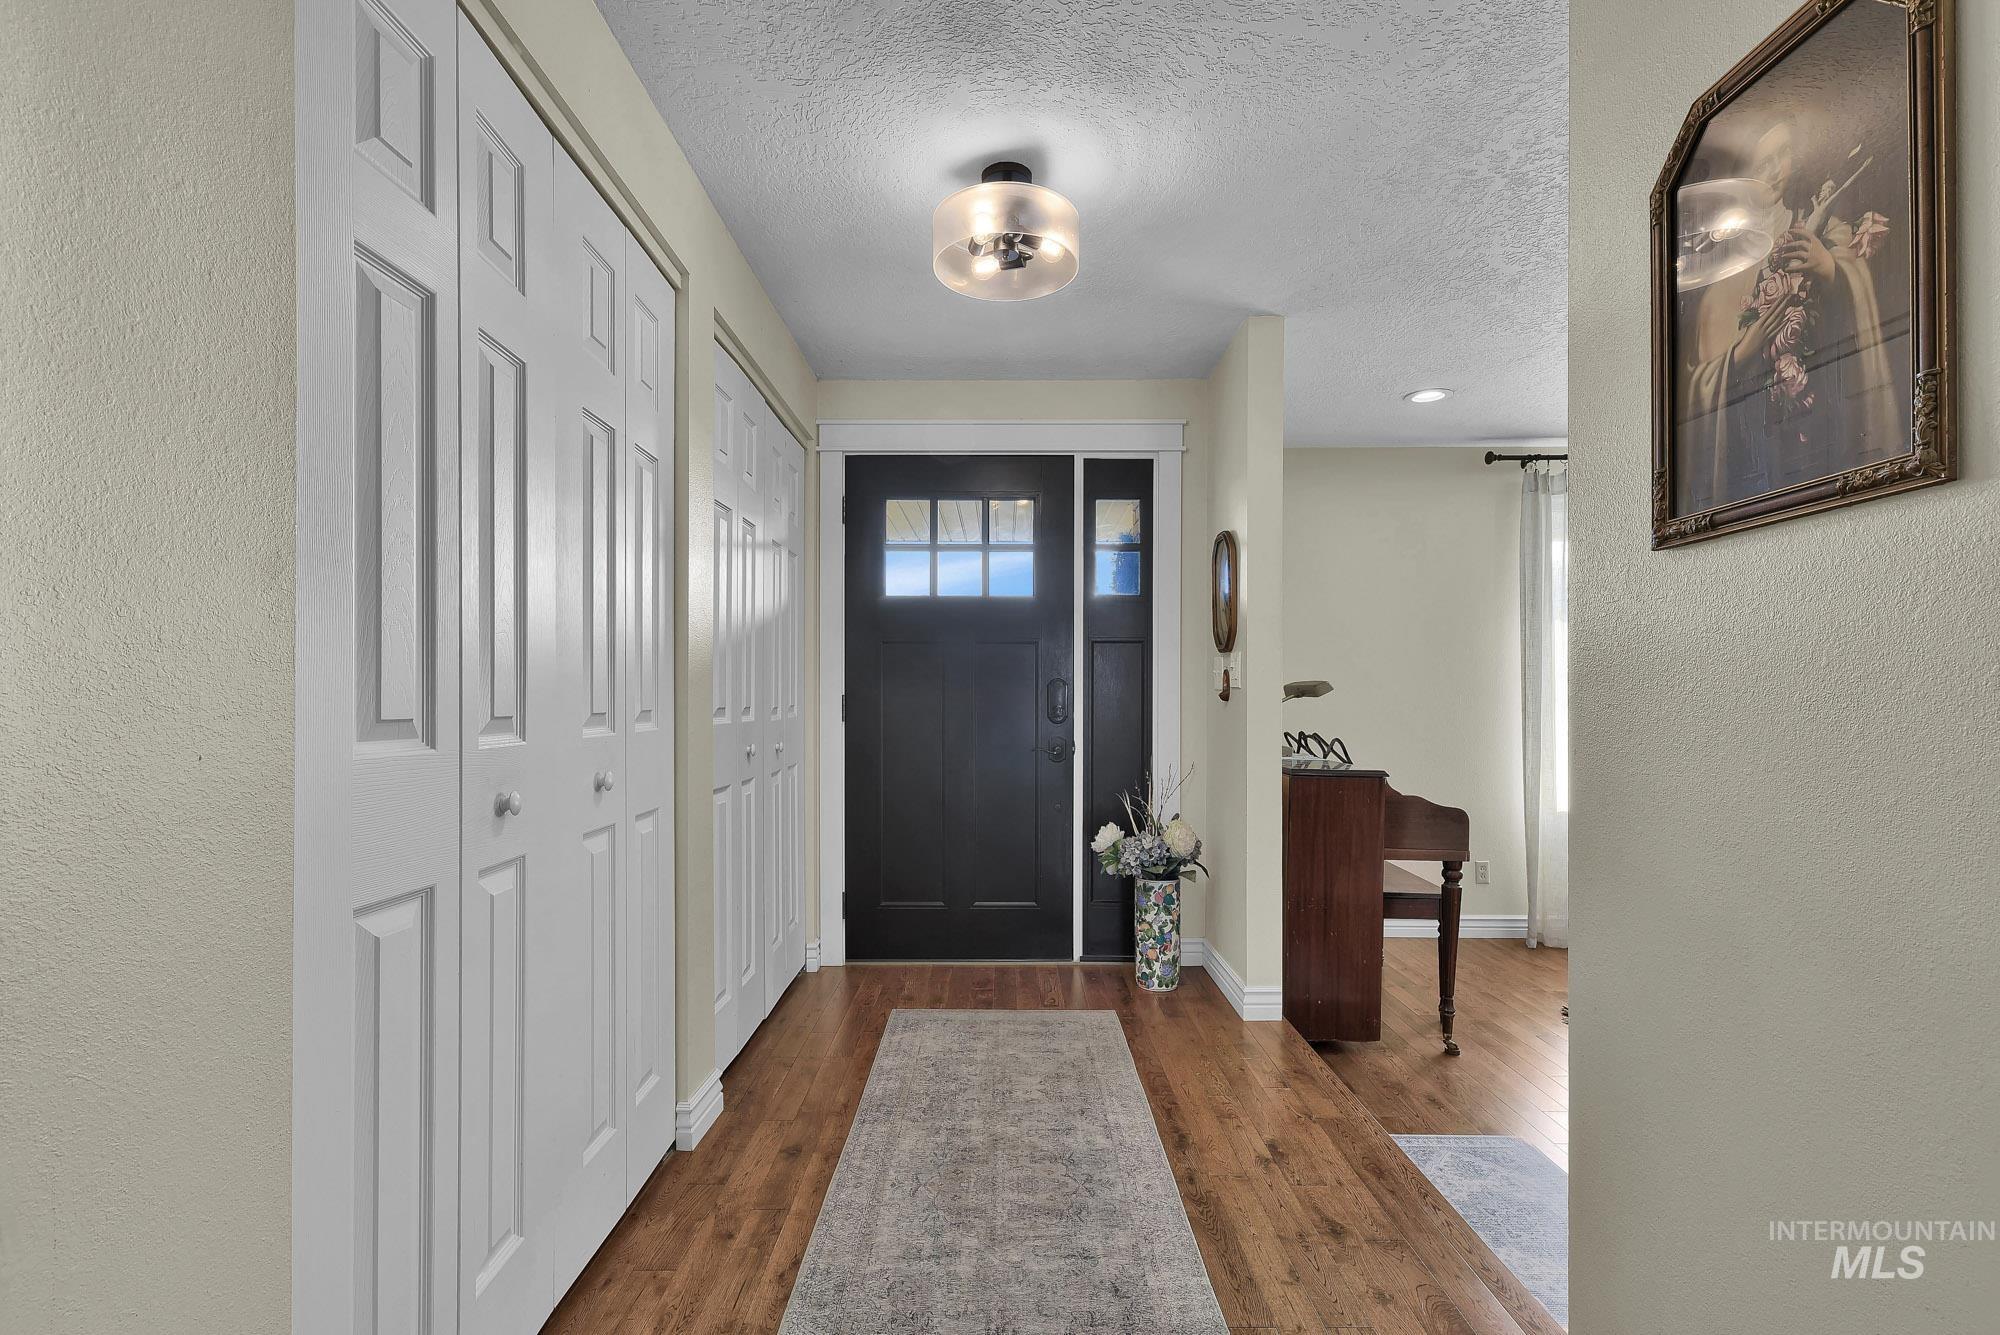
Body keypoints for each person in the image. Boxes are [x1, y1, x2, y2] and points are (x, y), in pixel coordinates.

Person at [1677, 118, 1901, 514]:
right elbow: (1694, 391)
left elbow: (1868, 293)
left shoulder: (1824, 232)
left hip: (1824, 433)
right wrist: (1743, 352)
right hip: (1757, 456)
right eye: (1764, 163)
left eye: (1784, 156)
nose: (1776, 170)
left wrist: (1828, 268)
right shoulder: (1717, 282)